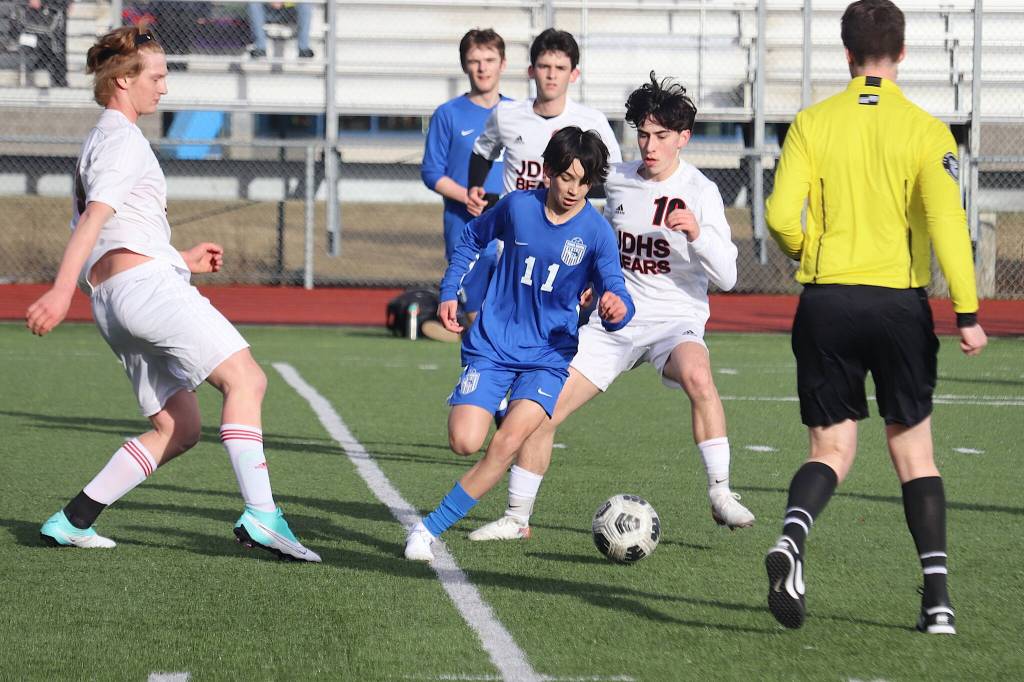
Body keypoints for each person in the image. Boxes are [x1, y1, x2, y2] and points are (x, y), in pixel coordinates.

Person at [27, 26, 320, 563]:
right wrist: (59, 289)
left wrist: (179, 258)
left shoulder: (99, 137)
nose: (164, 88)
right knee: (247, 380)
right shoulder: (122, 139)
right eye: (157, 77)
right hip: (141, 291)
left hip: (116, 299)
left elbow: (115, 234)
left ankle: (73, 520)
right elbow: (94, 220)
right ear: (123, 80)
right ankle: (262, 515)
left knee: (179, 426)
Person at [762, 0, 987, 634]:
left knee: (831, 447)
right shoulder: (925, 129)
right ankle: (937, 602)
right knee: (915, 453)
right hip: (897, 305)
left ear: (846, 53)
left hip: (827, 300)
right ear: (903, 53)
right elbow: (947, 222)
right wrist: (966, 311)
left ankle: (792, 538)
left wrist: (814, 253)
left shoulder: (811, 121)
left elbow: (780, 217)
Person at [468, 73, 755, 543]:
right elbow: (582, 226)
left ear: (683, 138)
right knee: (542, 409)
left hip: (673, 322)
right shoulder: (618, 181)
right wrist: (590, 284)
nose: (650, 145)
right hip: (614, 321)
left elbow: (728, 277)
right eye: (643, 134)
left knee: (699, 376)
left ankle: (721, 493)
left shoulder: (701, 191)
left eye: (662, 136)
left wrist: (696, 235)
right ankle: (517, 517)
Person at [404, 127, 636, 561]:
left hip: (548, 357)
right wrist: (451, 289)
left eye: (583, 182)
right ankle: (493, 403)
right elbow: (473, 237)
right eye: (566, 177)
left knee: (507, 443)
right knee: (463, 442)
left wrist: (617, 306)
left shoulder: (597, 233)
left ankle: (427, 529)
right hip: (494, 344)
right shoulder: (517, 207)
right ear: (548, 172)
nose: (573, 189)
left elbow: (618, 291)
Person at [465, 28, 622, 216]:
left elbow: (613, 177)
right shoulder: (506, 114)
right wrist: (474, 187)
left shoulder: (593, 122)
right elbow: (482, 152)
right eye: (544, 66)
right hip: (515, 226)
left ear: (574, 74)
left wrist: (570, 184)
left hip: (567, 230)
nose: (551, 75)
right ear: (531, 71)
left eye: (560, 68)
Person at [419, 28, 509, 340]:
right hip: (466, 231)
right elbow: (431, 172)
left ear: (503, 64)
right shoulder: (448, 114)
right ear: (464, 65)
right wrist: (466, 196)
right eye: (474, 61)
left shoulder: (517, 114)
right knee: (481, 323)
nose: (482, 68)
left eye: (489, 60)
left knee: (513, 320)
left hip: (512, 232)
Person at [248, 1, 312, 59]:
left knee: (305, 3)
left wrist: (284, 2)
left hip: (288, 10)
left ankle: (303, 49)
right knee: (254, 4)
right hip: (268, 10)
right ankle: (260, 48)